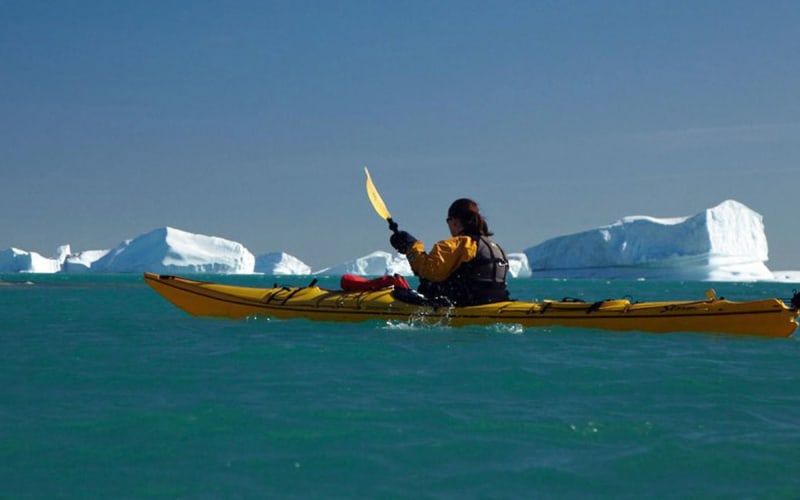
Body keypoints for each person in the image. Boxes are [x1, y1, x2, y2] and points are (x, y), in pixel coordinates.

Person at [390, 198, 510, 306]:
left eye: (448, 221)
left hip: (466, 304)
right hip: (498, 301)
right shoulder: (495, 246)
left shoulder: (458, 244)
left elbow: (428, 272)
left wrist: (411, 247)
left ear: (454, 221)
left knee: (411, 290)